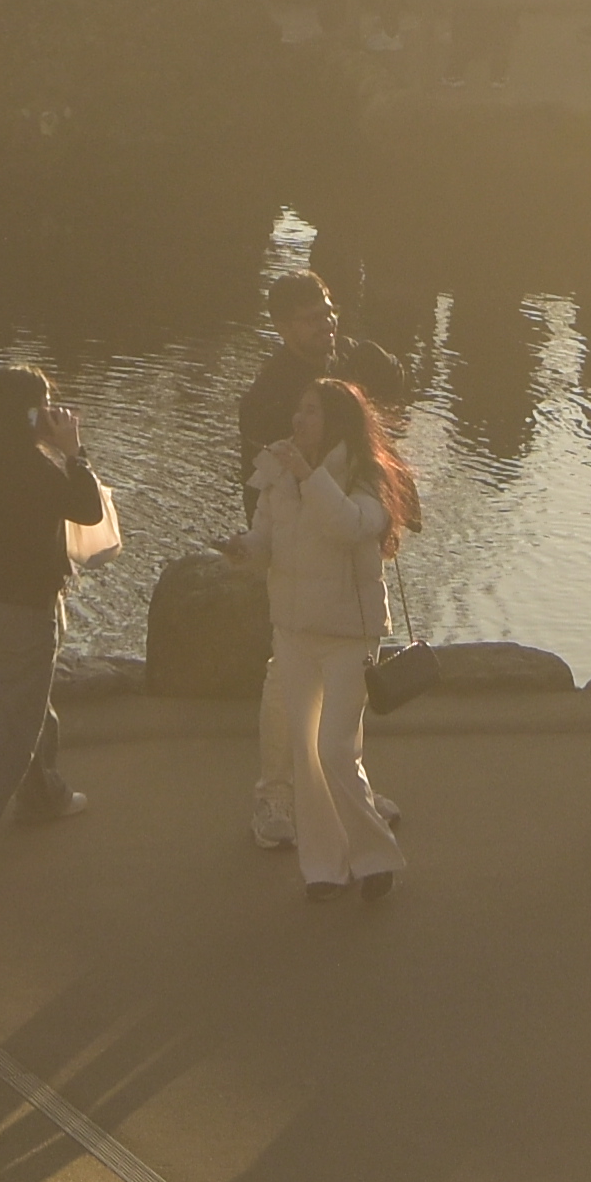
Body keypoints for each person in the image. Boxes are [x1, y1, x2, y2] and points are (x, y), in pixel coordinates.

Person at [251, 374, 414, 900]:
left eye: (312, 411)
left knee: (336, 750)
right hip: (294, 629)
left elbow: (352, 527)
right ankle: (324, 867)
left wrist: (309, 476)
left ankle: (375, 857)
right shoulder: (278, 469)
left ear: (337, 422)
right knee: (305, 751)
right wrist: (242, 548)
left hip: (349, 633)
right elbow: (265, 538)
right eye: (299, 409)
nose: (299, 420)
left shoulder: (366, 475)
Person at [0, 366, 106, 861]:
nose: (51, 413)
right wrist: (75, 452)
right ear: (30, 413)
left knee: (23, 700)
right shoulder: (40, 469)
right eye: (45, 405)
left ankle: (42, 795)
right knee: (14, 725)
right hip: (26, 607)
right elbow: (90, 511)